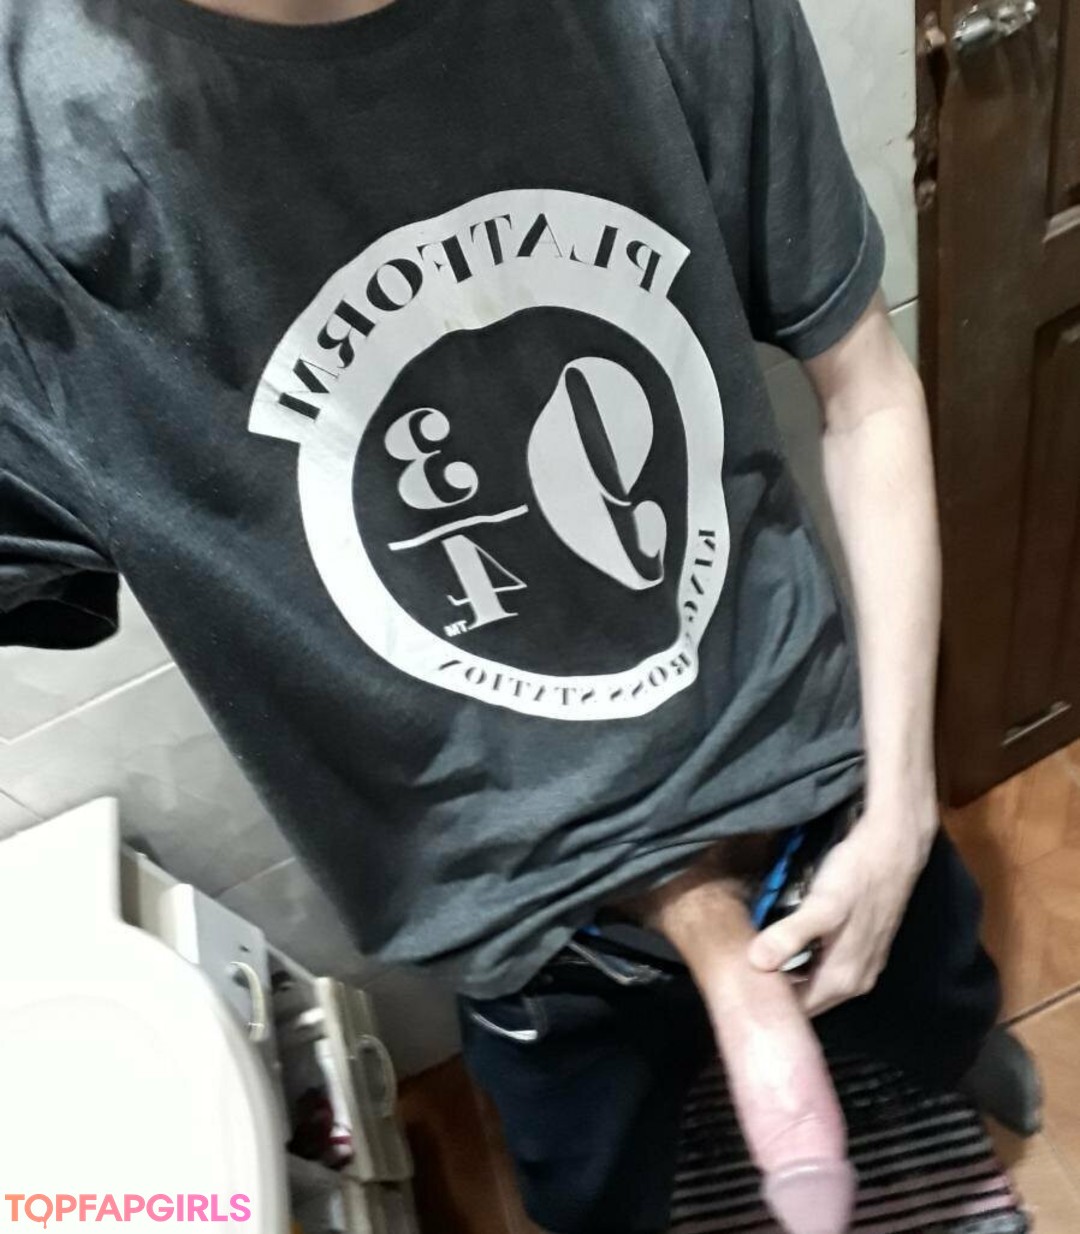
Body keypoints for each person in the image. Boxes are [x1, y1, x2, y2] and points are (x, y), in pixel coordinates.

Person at [0, 1, 1035, 1232]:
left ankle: (958, 1052)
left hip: (810, 772)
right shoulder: (30, 170)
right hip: (533, 930)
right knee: (596, 1191)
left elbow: (864, 385)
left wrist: (906, 800)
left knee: (936, 992)